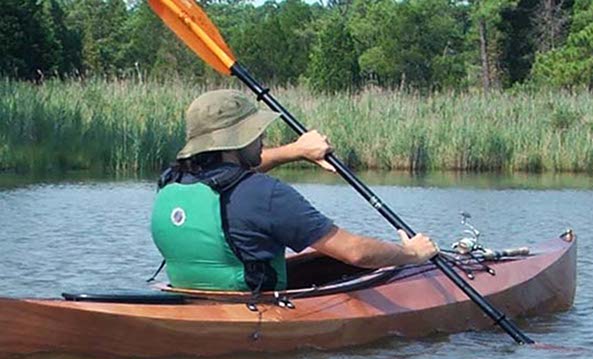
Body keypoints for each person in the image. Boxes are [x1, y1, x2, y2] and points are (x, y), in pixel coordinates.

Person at [151, 89, 438, 293]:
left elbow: (228, 180)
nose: (262, 137)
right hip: (253, 309)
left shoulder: (172, 181)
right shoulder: (266, 195)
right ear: (237, 139)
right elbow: (355, 254)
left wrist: (297, 151)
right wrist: (411, 253)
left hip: (192, 297)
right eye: (254, 132)